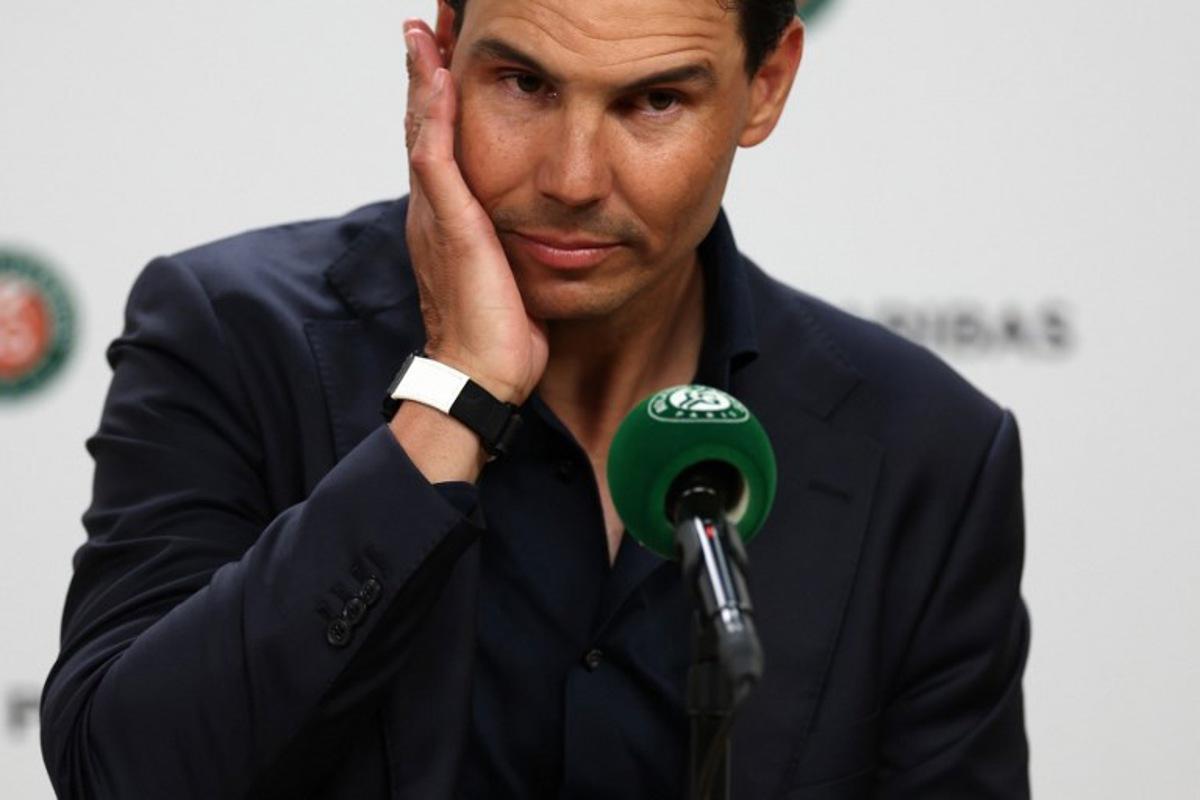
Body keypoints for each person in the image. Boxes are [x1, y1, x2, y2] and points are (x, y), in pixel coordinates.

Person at [41, 0, 1031, 797]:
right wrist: (450, 398)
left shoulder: (924, 445)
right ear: (447, 51)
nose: (571, 178)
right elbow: (116, 770)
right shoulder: (232, 333)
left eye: (653, 102)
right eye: (524, 83)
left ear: (764, 87)